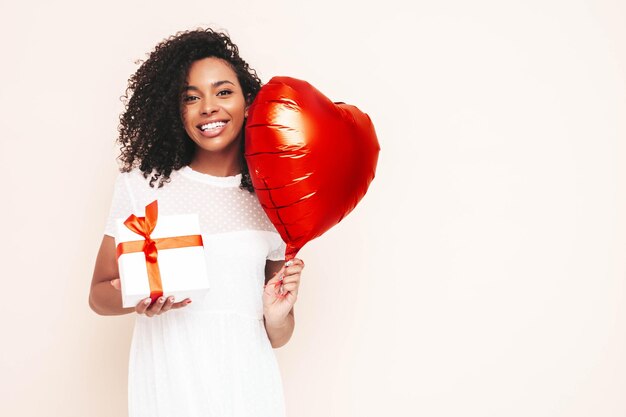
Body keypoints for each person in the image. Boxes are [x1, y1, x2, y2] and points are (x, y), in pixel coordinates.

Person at [88, 28, 304, 417]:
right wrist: (140, 298)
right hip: (170, 378)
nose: (208, 107)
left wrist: (277, 315)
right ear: (176, 111)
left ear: (247, 103)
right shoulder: (143, 187)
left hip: (247, 384)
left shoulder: (273, 200)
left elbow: (280, 335)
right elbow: (99, 294)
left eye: (223, 92)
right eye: (191, 97)